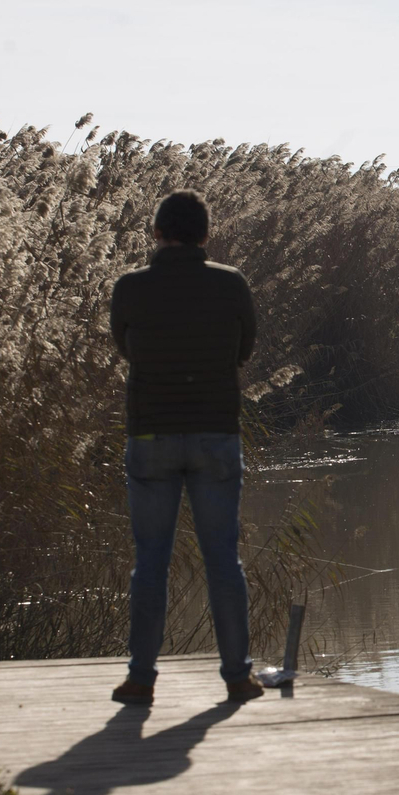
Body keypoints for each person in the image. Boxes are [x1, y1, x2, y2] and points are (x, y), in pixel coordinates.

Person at [107, 190, 264, 705]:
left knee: (150, 560)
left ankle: (141, 680)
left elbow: (124, 348)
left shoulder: (130, 287)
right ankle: (238, 677)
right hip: (215, 433)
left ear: (157, 232)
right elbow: (244, 350)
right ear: (205, 234)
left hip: (150, 433)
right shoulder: (231, 283)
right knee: (223, 558)